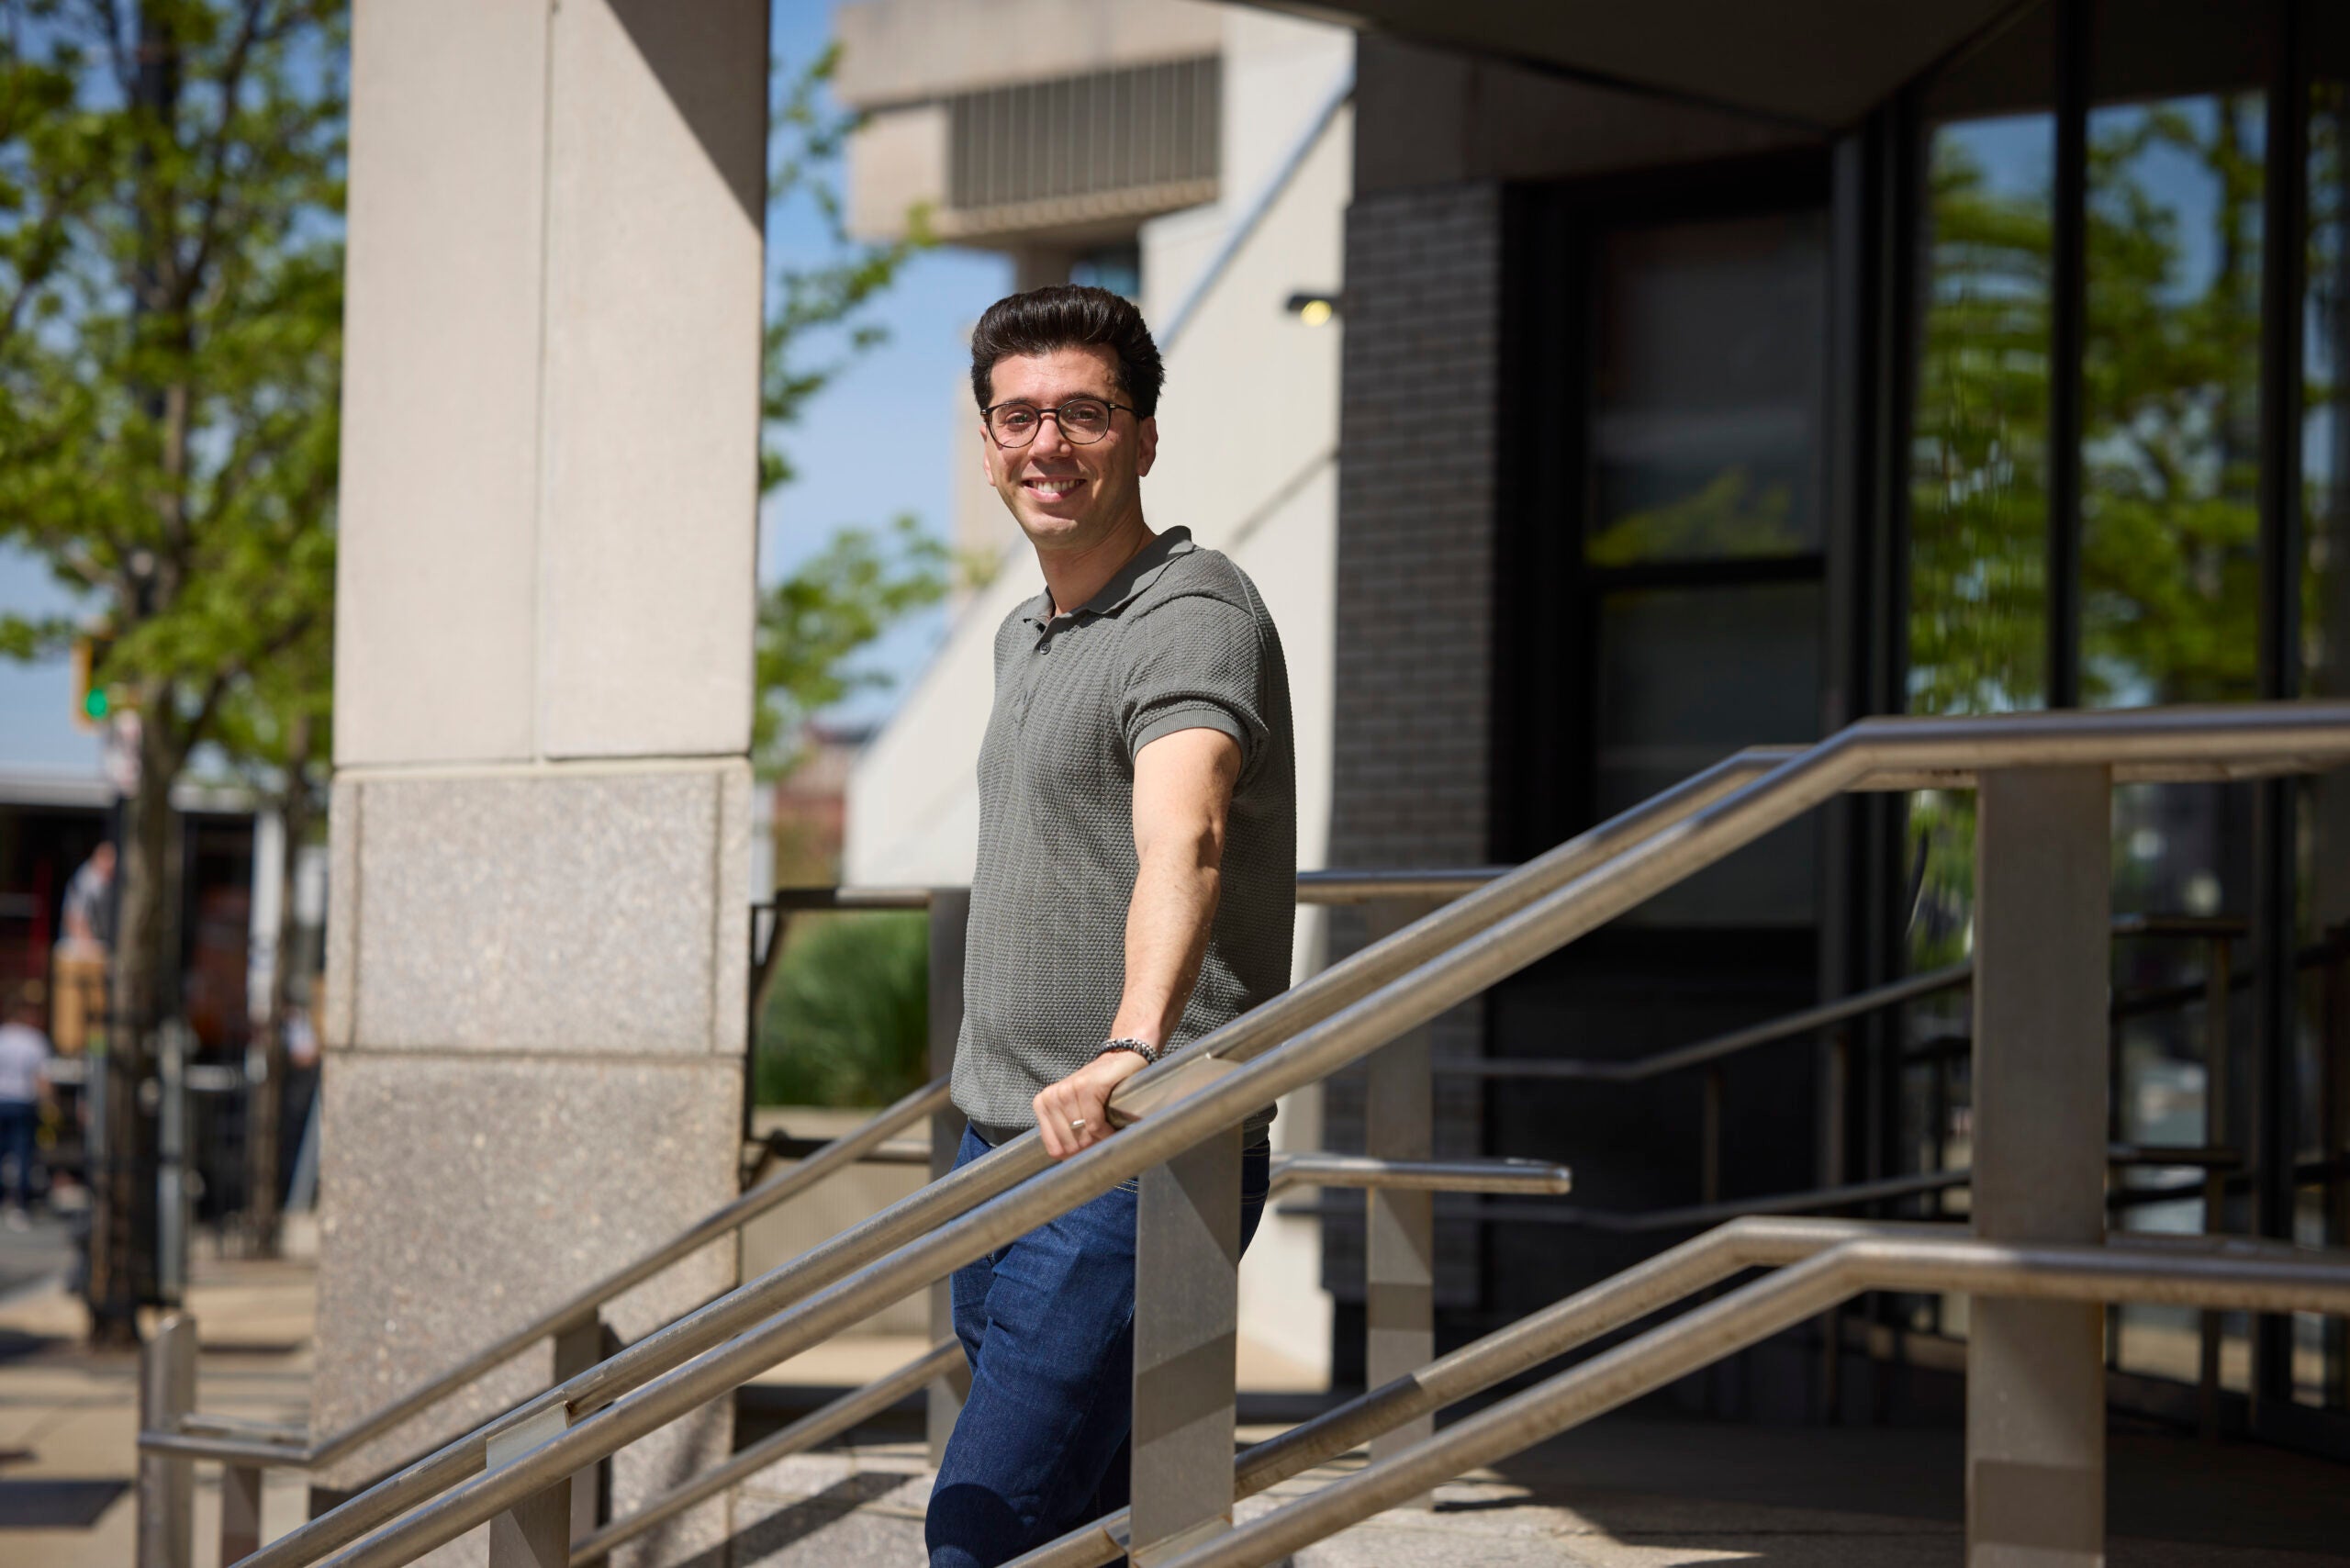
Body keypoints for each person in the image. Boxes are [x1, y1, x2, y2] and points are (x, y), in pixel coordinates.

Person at [924, 286, 1296, 1568]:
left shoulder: (1192, 610)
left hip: (1132, 1143)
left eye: (1084, 414)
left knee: (982, 1526)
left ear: (1143, 436)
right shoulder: (1029, 633)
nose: (1048, 444)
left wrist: (1133, 1050)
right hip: (1001, 1143)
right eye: (1018, 417)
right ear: (986, 445)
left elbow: (1183, 838)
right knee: (1077, 1532)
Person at [0, 988, 54, 1227]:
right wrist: (50, 1105)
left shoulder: (2, 1038)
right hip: (22, 1101)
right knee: (22, 1154)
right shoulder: (34, 1040)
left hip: (1, 1100)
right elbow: (41, 1078)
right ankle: (20, 1204)